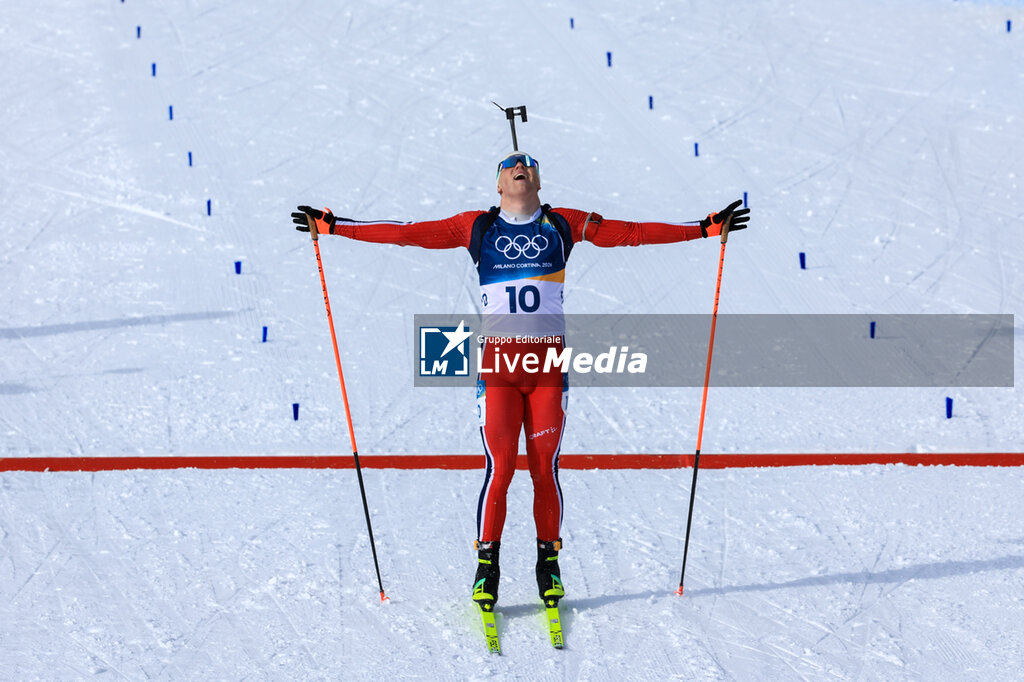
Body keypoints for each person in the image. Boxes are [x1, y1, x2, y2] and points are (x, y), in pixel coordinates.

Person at [292, 151, 749, 613]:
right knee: (502, 469)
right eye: (511, 164)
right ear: (498, 184)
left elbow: (630, 234)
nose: (521, 166)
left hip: (548, 371)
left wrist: (704, 228)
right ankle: (486, 567)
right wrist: (335, 226)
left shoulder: (563, 224)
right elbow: (408, 235)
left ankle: (547, 563)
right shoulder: (477, 228)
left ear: (538, 180)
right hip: (499, 372)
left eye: (530, 164)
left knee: (544, 469)